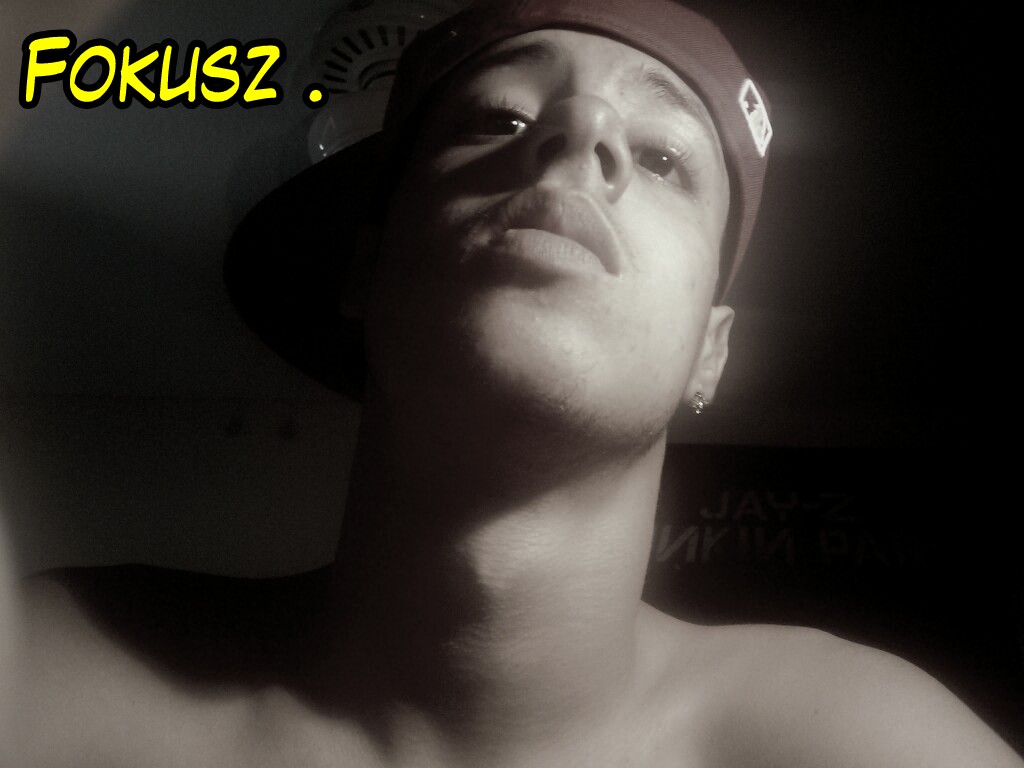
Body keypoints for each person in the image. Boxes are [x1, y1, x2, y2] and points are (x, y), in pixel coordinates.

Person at [3, 0, 1021, 766]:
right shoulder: (42, 679)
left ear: (710, 351)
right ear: (366, 272)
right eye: (493, 118)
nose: (579, 134)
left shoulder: (866, 742)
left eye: (664, 156)